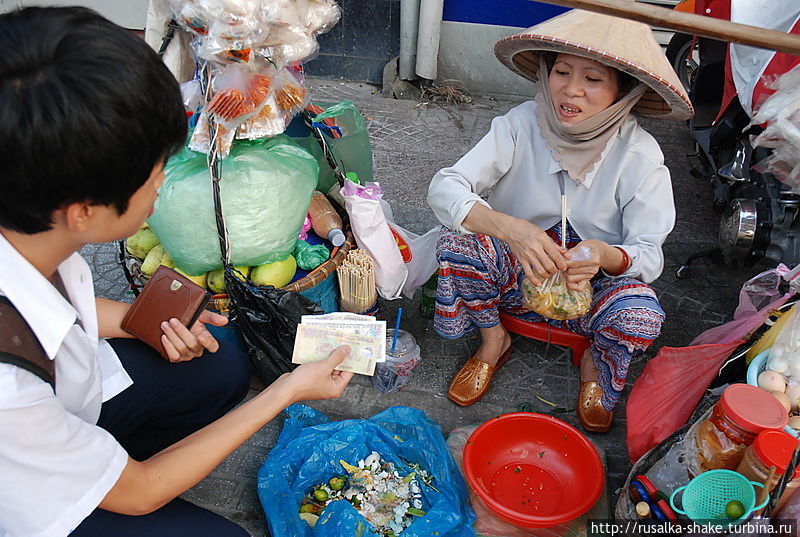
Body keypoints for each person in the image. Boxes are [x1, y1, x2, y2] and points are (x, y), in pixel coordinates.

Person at [0, 7, 353, 537]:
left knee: (222, 359)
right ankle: (96, 482)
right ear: (83, 211)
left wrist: (138, 320)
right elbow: (140, 495)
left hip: (64, 406)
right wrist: (284, 391)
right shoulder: (9, 392)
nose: (164, 183)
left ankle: (104, 460)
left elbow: (45, 310)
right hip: (20, 494)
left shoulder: (30, 212)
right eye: (155, 170)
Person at [427, 9, 693, 432]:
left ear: (622, 92)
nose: (571, 91)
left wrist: (604, 254)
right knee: (456, 242)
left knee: (642, 315)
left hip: (591, 288)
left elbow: (648, 255)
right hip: (515, 274)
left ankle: (594, 363)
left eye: (592, 79)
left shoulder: (639, 155)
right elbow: (445, 188)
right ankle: (495, 340)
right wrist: (511, 229)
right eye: (562, 72)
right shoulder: (519, 125)